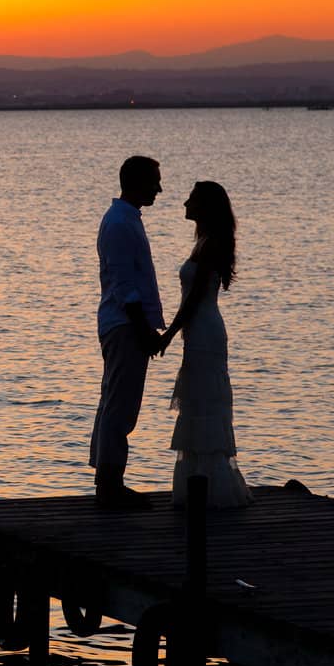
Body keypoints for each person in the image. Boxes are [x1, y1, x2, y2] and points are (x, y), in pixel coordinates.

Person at [157, 180, 253, 508]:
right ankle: (201, 483)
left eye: (191, 199)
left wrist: (169, 334)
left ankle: (212, 488)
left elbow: (196, 297)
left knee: (204, 403)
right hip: (199, 332)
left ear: (204, 207)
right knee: (198, 402)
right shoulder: (204, 242)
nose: (184, 203)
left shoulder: (211, 244)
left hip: (205, 332)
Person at [90, 155, 165, 509]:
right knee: (119, 406)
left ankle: (108, 481)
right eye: (154, 182)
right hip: (124, 326)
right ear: (136, 182)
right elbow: (123, 284)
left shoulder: (125, 219)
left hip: (125, 324)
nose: (159, 189)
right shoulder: (119, 223)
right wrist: (143, 329)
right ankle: (109, 485)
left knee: (116, 404)